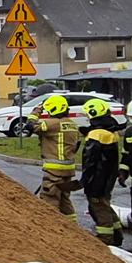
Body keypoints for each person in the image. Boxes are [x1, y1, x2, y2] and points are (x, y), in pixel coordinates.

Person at [78, 98, 125, 246]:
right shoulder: (110, 131)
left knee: (98, 207)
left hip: (97, 178)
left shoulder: (96, 135)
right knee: (105, 204)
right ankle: (117, 233)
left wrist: (85, 179)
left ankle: (106, 238)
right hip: (107, 177)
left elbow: (90, 160)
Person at [34, 94, 80, 225]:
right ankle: (73, 227)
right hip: (68, 170)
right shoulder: (72, 124)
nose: (48, 113)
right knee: (65, 201)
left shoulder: (52, 123)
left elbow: (30, 126)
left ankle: (51, 227)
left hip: (54, 170)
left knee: (49, 199)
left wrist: (36, 112)